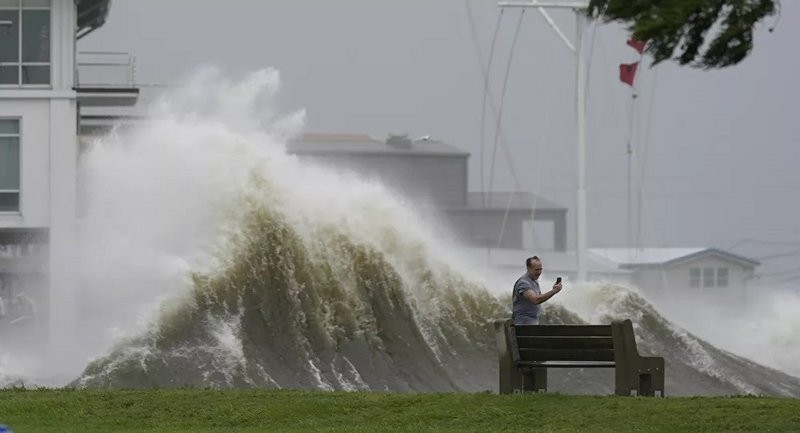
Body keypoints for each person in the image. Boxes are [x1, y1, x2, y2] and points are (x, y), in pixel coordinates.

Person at [511, 256, 562, 325]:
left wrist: (553, 290)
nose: (539, 272)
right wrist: (554, 291)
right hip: (522, 325)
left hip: (532, 323)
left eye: (540, 269)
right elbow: (535, 300)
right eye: (536, 270)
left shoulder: (534, 281)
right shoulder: (523, 283)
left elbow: (538, 298)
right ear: (528, 268)